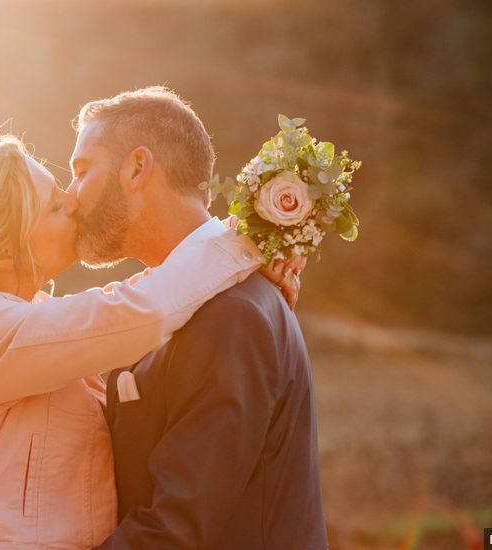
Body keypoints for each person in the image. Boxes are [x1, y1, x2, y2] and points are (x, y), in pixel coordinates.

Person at [0, 133, 304, 549]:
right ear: (2, 251)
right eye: (55, 205)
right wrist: (245, 243)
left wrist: (238, 279)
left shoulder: (21, 319)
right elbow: (135, 313)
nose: (72, 201)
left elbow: (130, 303)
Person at [66, 87, 327, 549]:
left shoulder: (233, 314)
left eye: (82, 172)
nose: (70, 198)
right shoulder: (172, 301)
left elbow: (177, 529)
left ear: (137, 169)